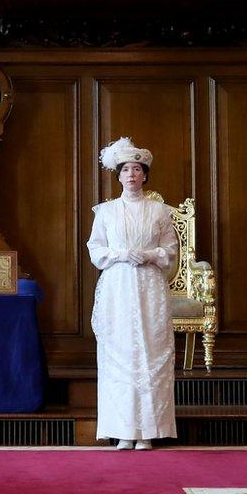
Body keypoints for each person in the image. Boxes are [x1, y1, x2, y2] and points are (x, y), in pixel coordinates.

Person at [86, 137, 177, 451]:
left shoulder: (159, 211)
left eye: (137, 169)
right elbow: (96, 250)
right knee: (120, 353)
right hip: (118, 286)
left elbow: (170, 251)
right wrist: (123, 254)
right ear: (119, 175)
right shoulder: (106, 212)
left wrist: (151, 255)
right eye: (125, 170)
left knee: (151, 352)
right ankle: (123, 429)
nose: (131, 175)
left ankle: (149, 430)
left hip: (149, 286)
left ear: (145, 175)